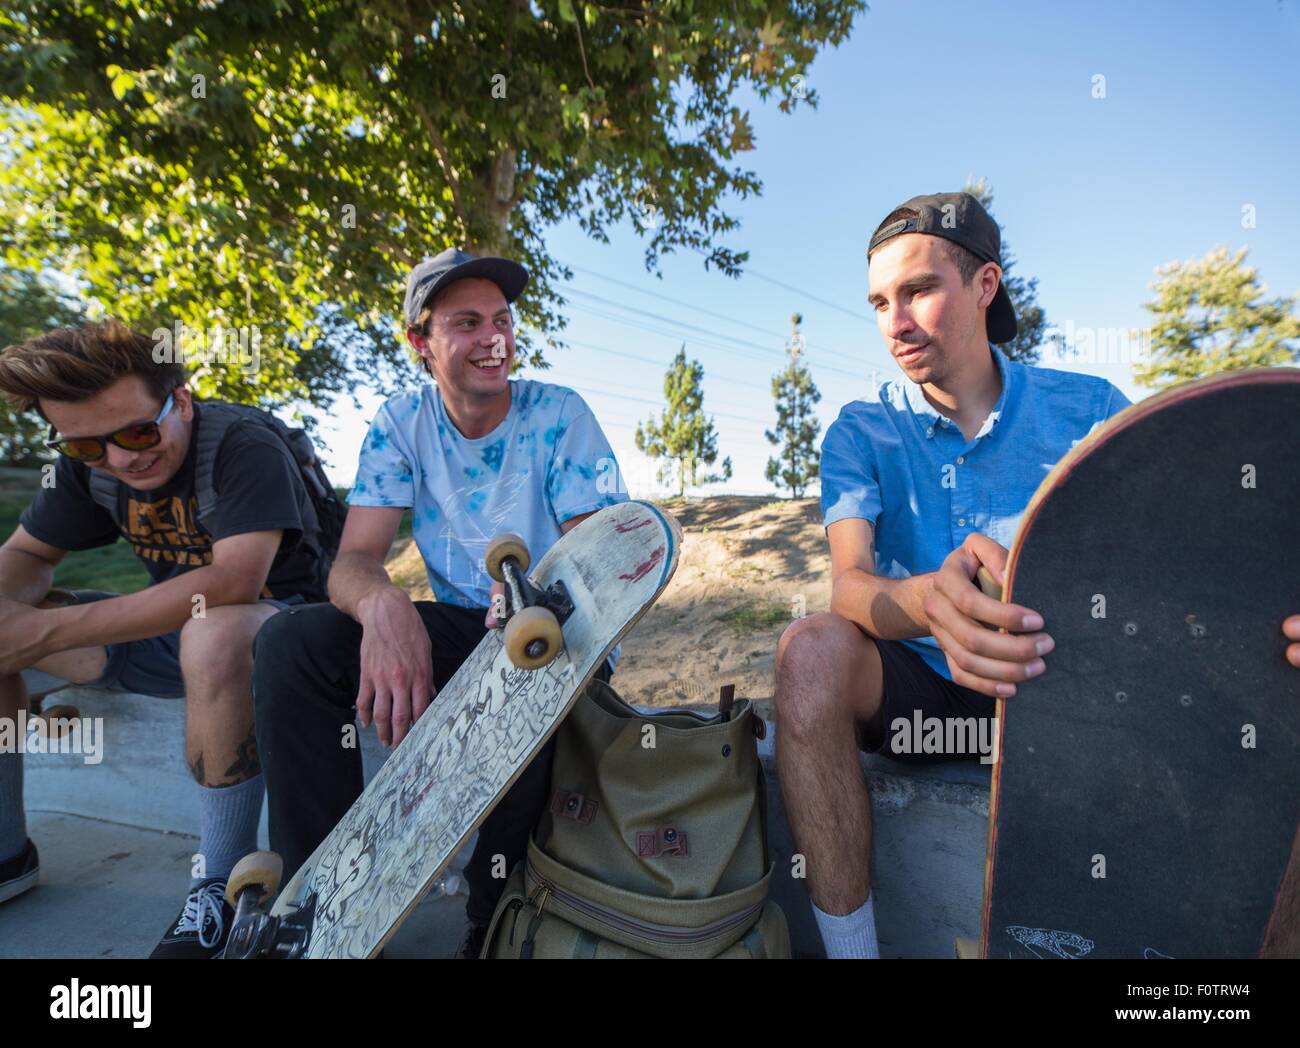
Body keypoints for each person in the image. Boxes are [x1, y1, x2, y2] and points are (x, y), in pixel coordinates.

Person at [773, 192, 1133, 959]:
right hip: (925, 708)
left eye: (919, 291)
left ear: (985, 285)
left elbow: (1166, 567)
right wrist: (927, 604)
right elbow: (848, 586)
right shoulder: (859, 428)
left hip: (1055, 695)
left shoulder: (1092, 411)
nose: (894, 323)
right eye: (878, 302)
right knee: (809, 651)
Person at [252, 248, 627, 958]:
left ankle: (496, 923)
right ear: (421, 343)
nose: (495, 339)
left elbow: (601, 558)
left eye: (503, 320)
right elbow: (355, 562)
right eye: (467, 323)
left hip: (561, 633)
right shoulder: (401, 424)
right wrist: (383, 608)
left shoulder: (559, 414)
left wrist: (532, 597)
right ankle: (323, 912)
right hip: (467, 629)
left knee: (529, 680)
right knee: (290, 644)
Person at [0, 320, 334, 957]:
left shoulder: (241, 442)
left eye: (135, 432)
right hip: (169, 636)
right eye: (87, 448)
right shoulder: (88, 462)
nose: (120, 458)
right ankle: (6, 853)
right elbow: (25, 556)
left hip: (283, 637)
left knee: (210, 632)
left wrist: (43, 627)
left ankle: (220, 889)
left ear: (179, 400)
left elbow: (236, 581)